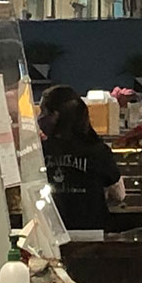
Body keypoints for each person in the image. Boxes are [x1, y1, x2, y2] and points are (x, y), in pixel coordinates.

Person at [39, 86, 122, 238]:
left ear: (56, 116)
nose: (39, 118)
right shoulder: (98, 149)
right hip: (93, 235)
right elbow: (119, 195)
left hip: (51, 235)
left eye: (43, 112)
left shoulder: (41, 150)